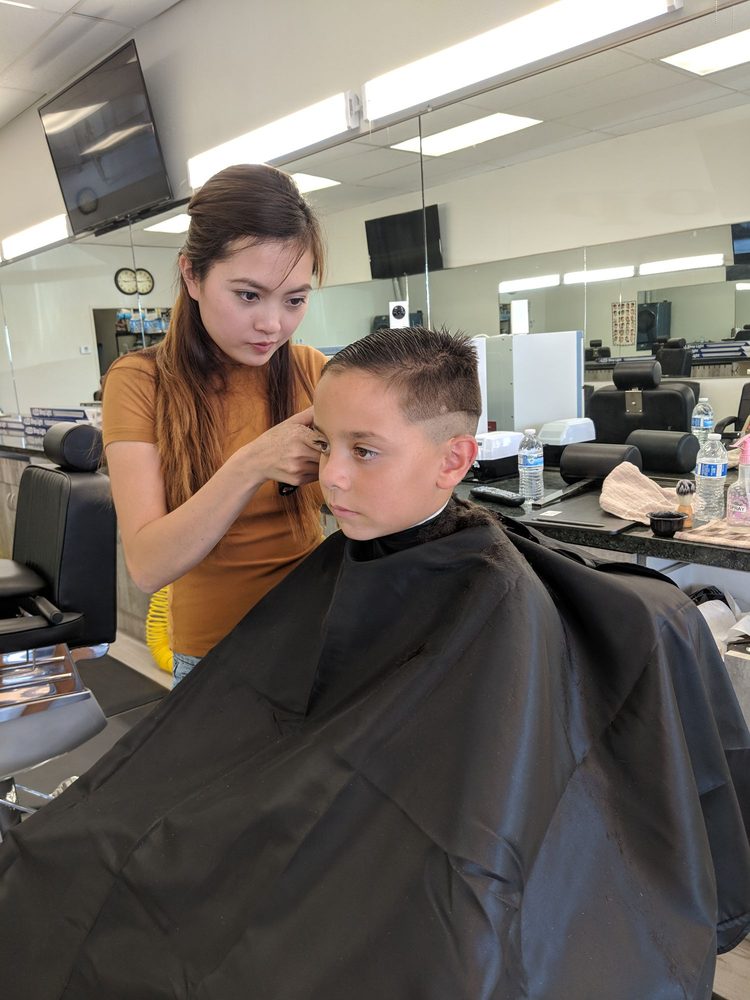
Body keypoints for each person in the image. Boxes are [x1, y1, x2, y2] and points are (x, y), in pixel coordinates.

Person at [0, 328, 748, 999]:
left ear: (455, 459)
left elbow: (471, 827)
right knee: (72, 853)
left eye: (364, 450)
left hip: (409, 884)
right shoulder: (349, 566)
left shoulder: (494, 600)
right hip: (295, 817)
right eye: (325, 445)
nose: (331, 478)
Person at [102, 163, 327, 683]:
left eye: (295, 300)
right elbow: (148, 565)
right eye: (248, 295)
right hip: (213, 660)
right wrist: (253, 463)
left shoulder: (311, 370)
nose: (273, 324)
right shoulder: (140, 381)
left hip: (316, 636)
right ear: (192, 276)